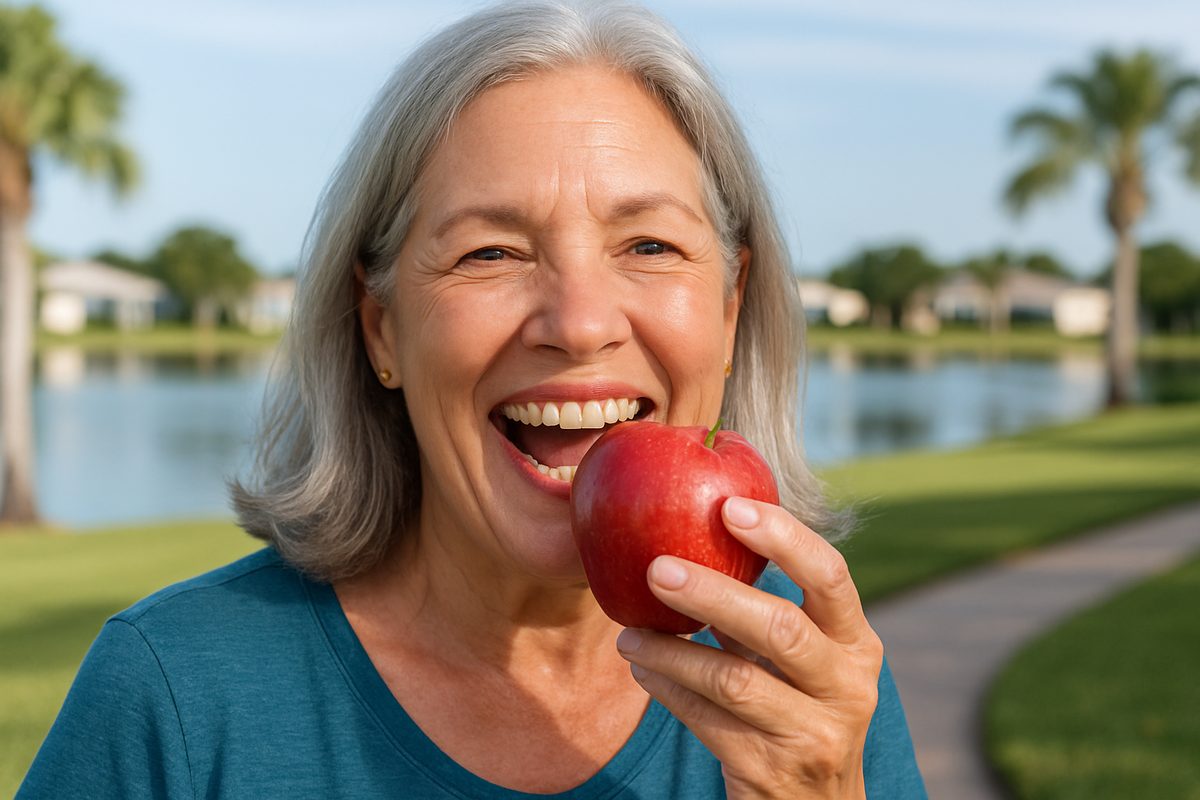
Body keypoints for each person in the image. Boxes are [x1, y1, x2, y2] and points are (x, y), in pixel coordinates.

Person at [18, 2, 926, 797]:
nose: (578, 324)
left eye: (648, 245)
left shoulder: (808, 689)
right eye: (490, 253)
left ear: (730, 312)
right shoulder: (176, 694)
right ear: (380, 330)